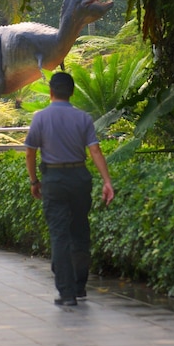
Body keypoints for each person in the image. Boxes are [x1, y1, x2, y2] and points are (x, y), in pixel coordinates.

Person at [24, 71, 115, 307]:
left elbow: (30, 151)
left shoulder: (40, 118)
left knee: (59, 234)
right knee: (80, 230)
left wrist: (34, 181)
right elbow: (95, 151)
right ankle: (79, 286)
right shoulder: (83, 118)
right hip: (79, 177)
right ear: (72, 92)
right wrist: (107, 181)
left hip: (54, 178)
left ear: (51, 92)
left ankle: (66, 293)